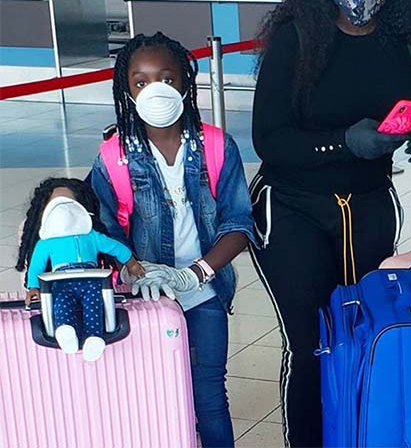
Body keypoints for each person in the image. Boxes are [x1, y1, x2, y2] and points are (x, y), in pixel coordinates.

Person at [249, 0, 411, 446]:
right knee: (310, 342)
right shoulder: (296, 39)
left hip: (367, 208)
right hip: (293, 209)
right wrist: (343, 142)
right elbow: (269, 139)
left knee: (365, 334)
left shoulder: (409, 39)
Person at [90, 32, 256, 448]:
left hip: (204, 296)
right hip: (142, 299)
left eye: (166, 78)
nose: (155, 90)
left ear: (185, 81)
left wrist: (195, 273)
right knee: (151, 400)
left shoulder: (218, 146)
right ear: (126, 90)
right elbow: (105, 230)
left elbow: (238, 223)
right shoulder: (113, 156)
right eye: (140, 82)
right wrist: (134, 269)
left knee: (210, 400)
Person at [16, 178, 143, 361]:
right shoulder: (45, 242)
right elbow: (36, 266)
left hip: (92, 280)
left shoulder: (91, 236)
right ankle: (65, 329)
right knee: (61, 301)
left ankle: (94, 337)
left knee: (94, 303)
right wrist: (34, 287)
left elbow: (115, 248)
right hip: (59, 281)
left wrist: (131, 263)